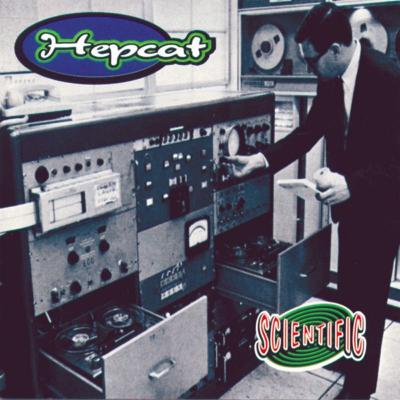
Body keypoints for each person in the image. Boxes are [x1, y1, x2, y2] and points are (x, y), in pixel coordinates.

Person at [226, 3, 400, 399]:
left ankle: (359, 389)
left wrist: (353, 184)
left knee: (370, 298)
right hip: (350, 208)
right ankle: (350, 353)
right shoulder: (331, 77)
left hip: (383, 209)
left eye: (311, 59)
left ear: (337, 49)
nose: (308, 67)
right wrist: (261, 159)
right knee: (350, 289)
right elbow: (309, 132)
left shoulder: (390, 79)